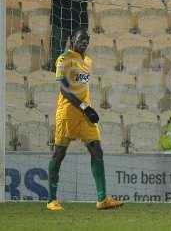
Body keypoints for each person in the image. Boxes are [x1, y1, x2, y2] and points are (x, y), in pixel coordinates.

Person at [47, 30, 123, 211]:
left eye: (86, 41)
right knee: (59, 154)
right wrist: (85, 108)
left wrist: (87, 108)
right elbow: (65, 90)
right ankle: (51, 200)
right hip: (68, 113)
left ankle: (102, 199)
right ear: (73, 40)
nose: (84, 43)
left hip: (85, 114)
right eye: (81, 40)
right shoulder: (64, 59)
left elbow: (81, 88)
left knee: (96, 149)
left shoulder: (87, 61)